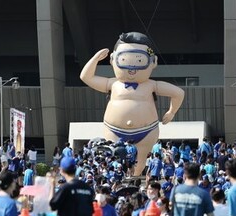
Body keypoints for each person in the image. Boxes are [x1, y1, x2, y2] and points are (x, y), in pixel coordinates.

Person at [79, 32, 186, 175]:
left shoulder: (151, 85)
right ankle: (119, 180)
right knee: (114, 161)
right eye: (123, 60)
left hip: (146, 130)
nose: (132, 68)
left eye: (140, 61)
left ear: (153, 62)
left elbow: (178, 93)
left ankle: (134, 179)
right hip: (113, 129)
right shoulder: (112, 83)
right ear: (112, 59)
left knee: (140, 163)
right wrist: (95, 59)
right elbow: (86, 77)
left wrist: (171, 112)